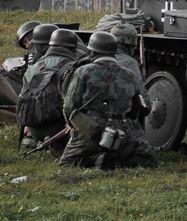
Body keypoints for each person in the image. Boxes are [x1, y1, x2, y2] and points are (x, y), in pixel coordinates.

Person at [58, 29, 149, 169]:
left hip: (91, 130)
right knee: (148, 160)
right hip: (123, 131)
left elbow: (70, 107)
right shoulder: (130, 74)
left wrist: (75, 128)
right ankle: (117, 159)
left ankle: (97, 160)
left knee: (67, 164)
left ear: (92, 52)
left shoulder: (84, 71)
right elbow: (145, 106)